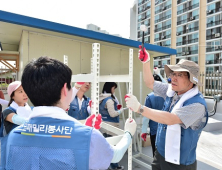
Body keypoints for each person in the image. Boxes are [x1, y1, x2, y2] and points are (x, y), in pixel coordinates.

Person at [4, 56, 137, 170]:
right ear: (64, 90)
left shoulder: (14, 137)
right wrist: (129, 133)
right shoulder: (88, 136)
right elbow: (115, 155)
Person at [125, 46, 208, 170]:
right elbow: (150, 83)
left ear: (191, 81)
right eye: (173, 73)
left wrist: (139, 108)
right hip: (161, 154)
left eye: (179, 75)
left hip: (180, 164)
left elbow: (170, 119)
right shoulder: (172, 91)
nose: (173, 78)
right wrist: (146, 62)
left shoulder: (197, 105)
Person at [99, 82, 124, 170]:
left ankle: (106, 166)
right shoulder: (109, 100)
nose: (114, 91)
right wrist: (121, 111)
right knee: (113, 148)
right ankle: (115, 167)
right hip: (111, 126)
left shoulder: (101, 98)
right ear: (110, 88)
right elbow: (112, 114)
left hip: (104, 125)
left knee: (106, 147)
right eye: (114, 88)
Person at [141, 73, 165, 157]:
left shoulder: (149, 97)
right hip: (166, 129)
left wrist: (143, 131)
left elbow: (146, 117)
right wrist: (159, 73)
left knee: (156, 155)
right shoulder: (168, 95)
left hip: (154, 130)